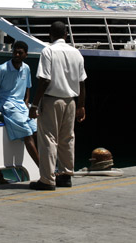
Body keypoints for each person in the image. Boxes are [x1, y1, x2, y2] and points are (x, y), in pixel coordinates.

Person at [29, 21, 87, 191]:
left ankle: (47, 180)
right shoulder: (76, 53)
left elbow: (45, 80)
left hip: (51, 99)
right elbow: (82, 83)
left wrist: (34, 104)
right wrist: (81, 106)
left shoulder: (48, 51)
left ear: (50, 35)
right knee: (67, 138)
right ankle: (66, 175)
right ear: (66, 35)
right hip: (70, 100)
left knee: (48, 139)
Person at [0, 40, 39, 166]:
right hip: (8, 106)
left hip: (21, 106)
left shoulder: (26, 68)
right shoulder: (2, 69)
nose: (16, 55)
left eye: (20, 53)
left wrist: (26, 101)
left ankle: (49, 167)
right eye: (15, 52)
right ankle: (43, 169)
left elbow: (28, 86)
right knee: (27, 133)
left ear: (26, 55)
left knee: (37, 132)